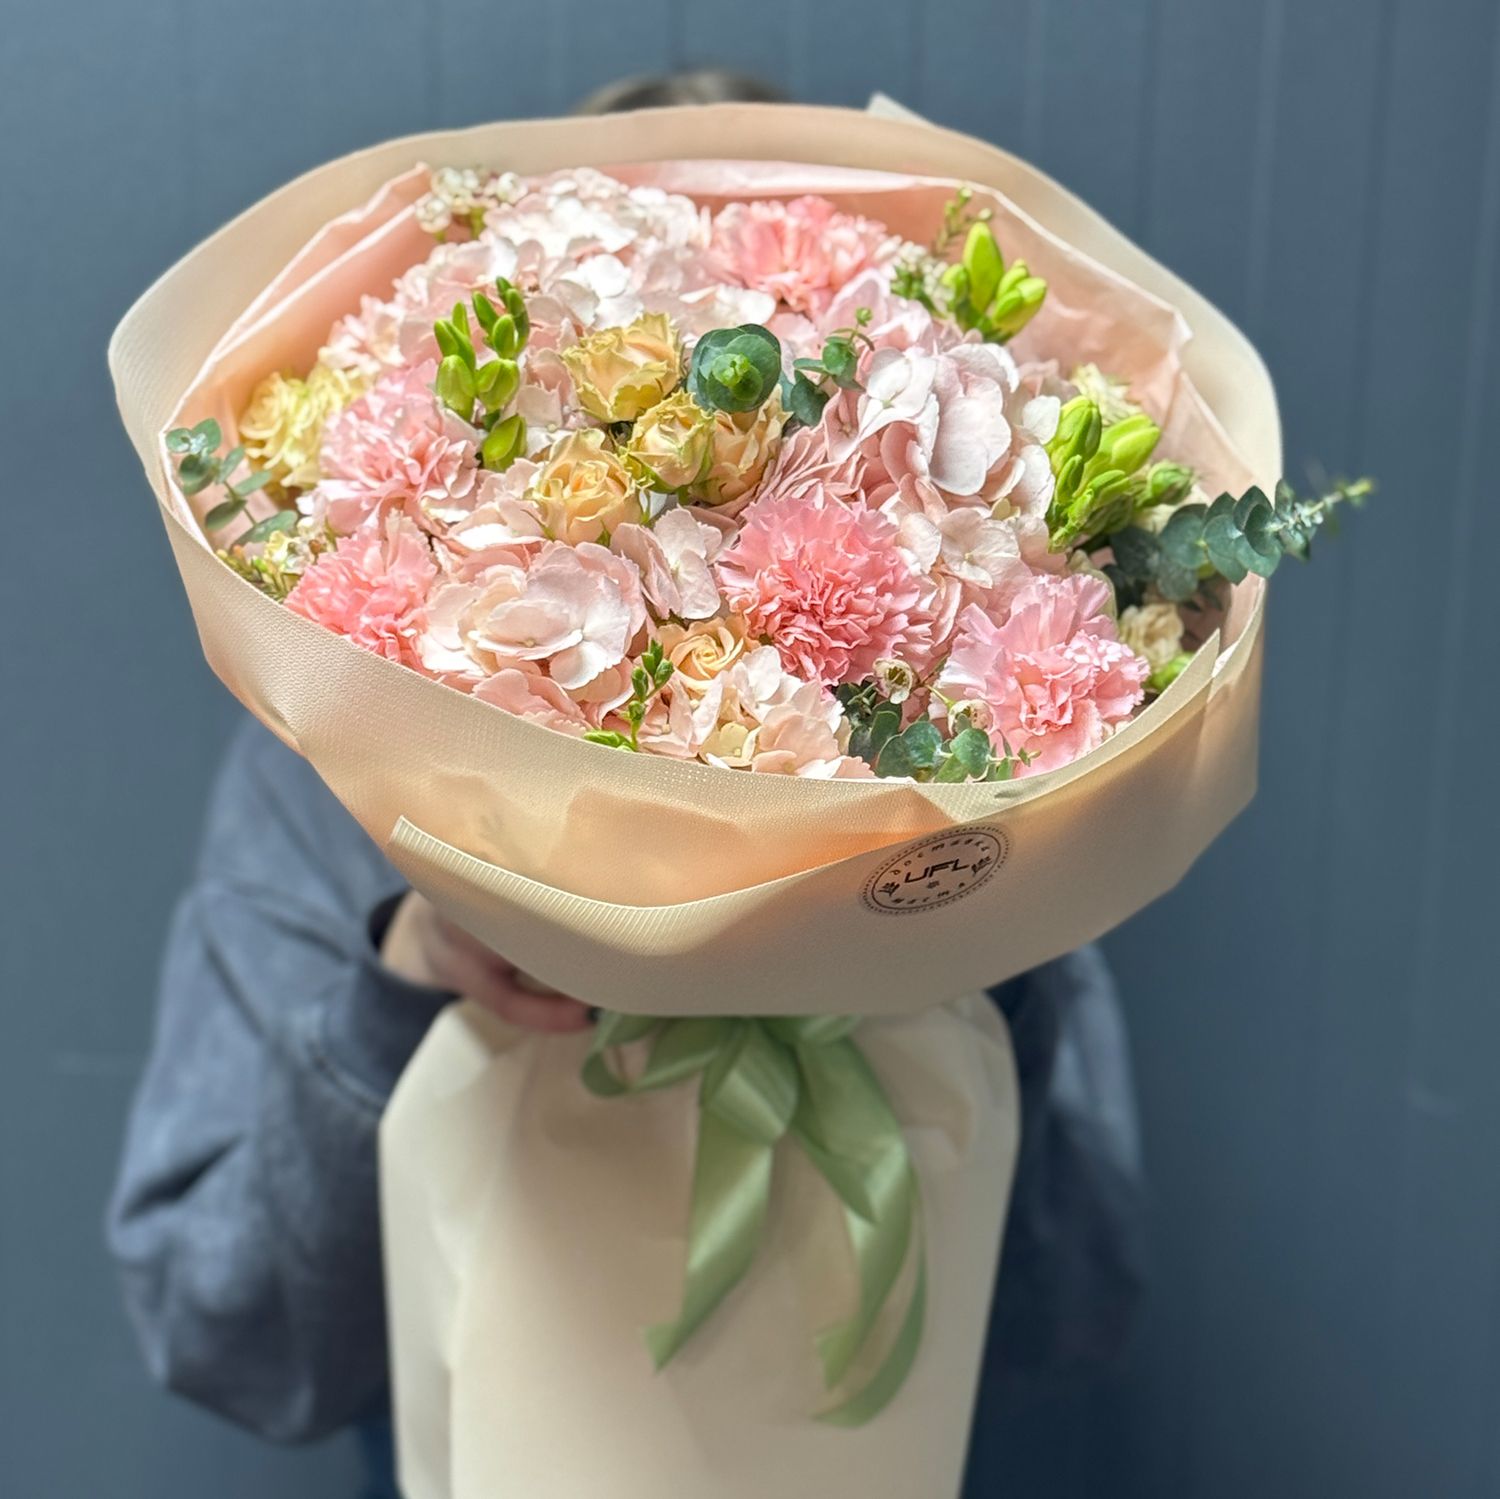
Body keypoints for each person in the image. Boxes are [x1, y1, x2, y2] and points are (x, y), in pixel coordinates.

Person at [108, 72, 1146, 1499]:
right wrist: (410, 975)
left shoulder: (973, 785)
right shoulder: (330, 761)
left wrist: (949, 942)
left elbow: (1071, 1312)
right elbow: (219, 1329)